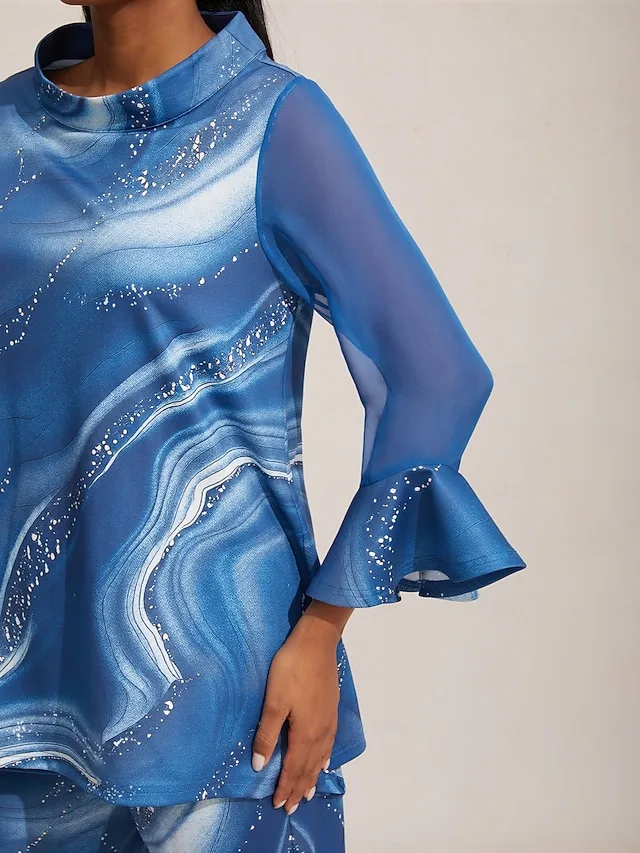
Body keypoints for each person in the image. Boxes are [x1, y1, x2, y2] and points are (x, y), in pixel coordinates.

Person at [0, 1, 527, 850]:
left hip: (227, 705)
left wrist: (322, 629)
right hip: (24, 707)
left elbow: (437, 375)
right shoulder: (9, 130)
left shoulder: (271, 121)